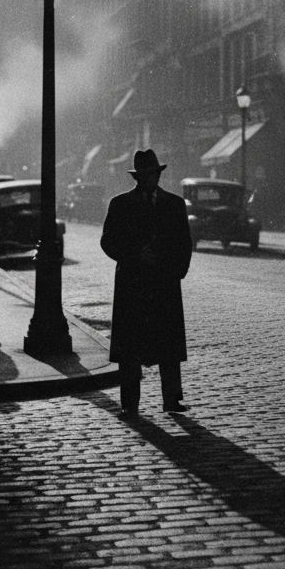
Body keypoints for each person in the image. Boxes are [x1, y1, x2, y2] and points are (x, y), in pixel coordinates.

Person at [100, 149, 193, 416]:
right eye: (145, 175)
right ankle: (130, 404)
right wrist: (135, 254)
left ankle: (172, 400)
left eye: (154, 174)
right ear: (138, 178)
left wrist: (178, 271)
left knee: (169, 346)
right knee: (130, 348)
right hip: (133, 283)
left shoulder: (175, 204)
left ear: (158, 174)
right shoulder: (120, 204)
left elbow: (184, 242)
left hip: (165, 283)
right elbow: (108, 241)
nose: (150, 178)